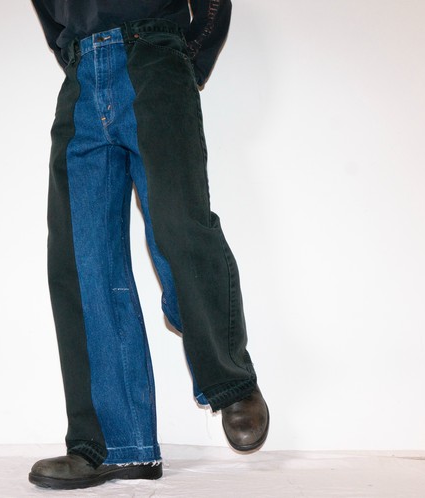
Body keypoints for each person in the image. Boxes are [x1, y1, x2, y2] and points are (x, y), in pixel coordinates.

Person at [28, 1, 269, 490]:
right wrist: (73, 51)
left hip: (155, 54)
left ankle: (230, 380)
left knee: (178, 224)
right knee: (82, 257)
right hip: (80, 75)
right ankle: (117, 447)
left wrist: (182, 55)